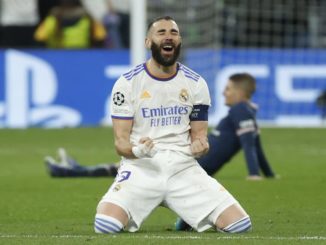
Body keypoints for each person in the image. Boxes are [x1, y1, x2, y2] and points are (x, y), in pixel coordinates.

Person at [92, 16, 251, 234]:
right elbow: (120, 143)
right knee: (105, 226)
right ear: (148, 42)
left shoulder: (196, 83)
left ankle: (186, 213)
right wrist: (138, 150)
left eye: (174, 33)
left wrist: (201, 145)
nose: (168, 36)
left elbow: (199, 136)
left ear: (179, 41)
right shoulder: (127, 83)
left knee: (239, 226)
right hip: (141, 168)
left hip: (182, 168)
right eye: (161, 32)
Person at [46, 73, 276, 180]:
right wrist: (270, 175)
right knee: (129, 164)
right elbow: (257, 146)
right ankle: (74, 169)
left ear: (239, 92)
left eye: (228, 89)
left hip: (195, 161)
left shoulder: (239, 110)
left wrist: (255, 175)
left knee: (130, 164)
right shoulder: (248, 113)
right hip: (194, 157)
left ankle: (70, 171)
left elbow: (249, 145)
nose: (224, 93)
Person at [34, 0, 106, 48]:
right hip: (59, 56)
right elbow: (101, 36)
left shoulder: (87, 19)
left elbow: (101, 36)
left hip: (81, 56)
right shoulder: (52, 19)